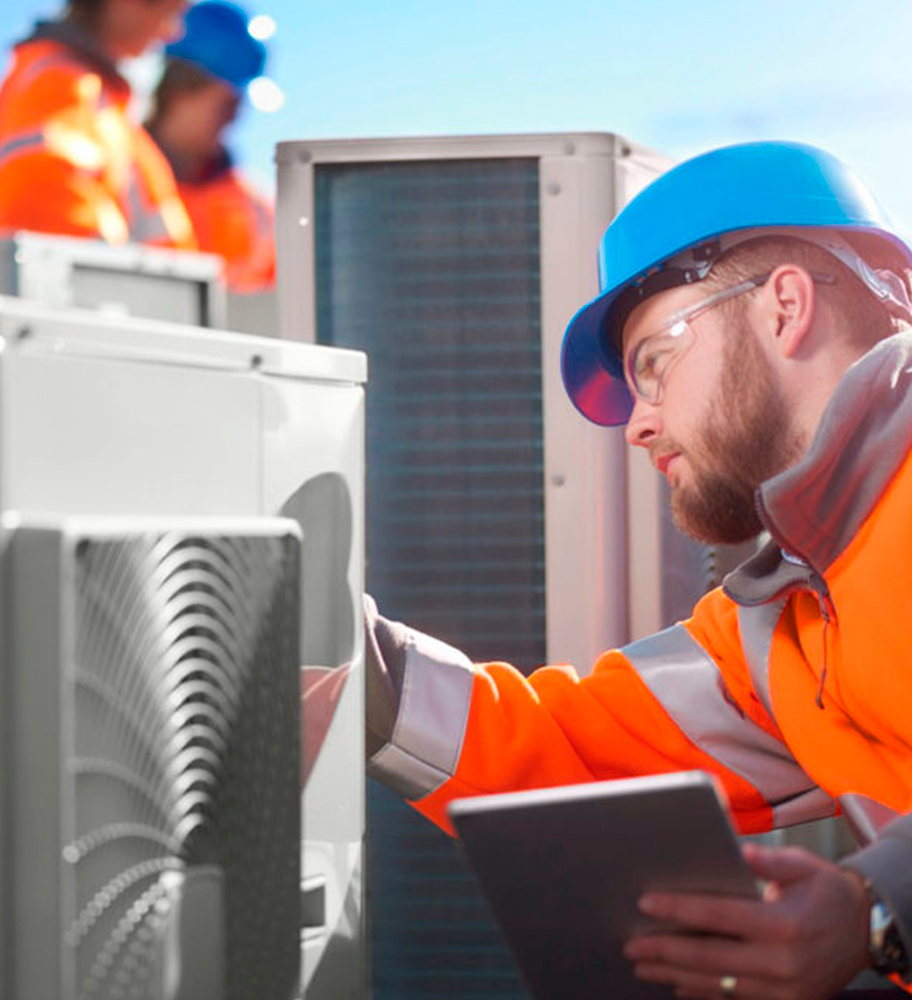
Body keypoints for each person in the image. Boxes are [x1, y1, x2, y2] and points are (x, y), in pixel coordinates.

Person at [365, 141, 912, 999]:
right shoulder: (783, 616)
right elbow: (577, 750)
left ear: (784, 307)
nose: (638, 426)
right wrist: (364, 676)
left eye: (655, 364)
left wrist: (882, 908)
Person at [0, 0, 196, 250]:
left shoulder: (109, 107)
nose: (172, 32)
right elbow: (52, 225)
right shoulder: (57, 83)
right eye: (169, 12)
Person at [145, 0, 276, 292]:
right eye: (227, 104)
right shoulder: (115, 172)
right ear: (180, 89)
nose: (235, 119)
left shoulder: (255, 208)